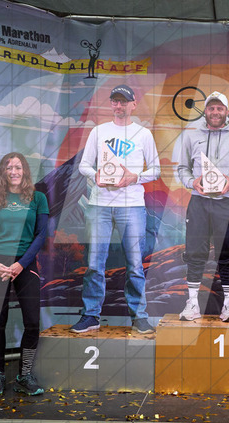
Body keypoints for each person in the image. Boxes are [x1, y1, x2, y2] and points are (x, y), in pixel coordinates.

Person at [71, 84, 160, 334]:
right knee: (94, 263)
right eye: (115, 101)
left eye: (123, 101)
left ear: (134, 104)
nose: (119, 106)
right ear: (111, 104)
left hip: (132, 205)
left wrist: (135, 177)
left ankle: (139, 316)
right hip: (99, 204)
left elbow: (156, 170)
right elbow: (84, 165)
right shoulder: (98, 131)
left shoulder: (143, 134)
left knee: (135, 264)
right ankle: (91, 316)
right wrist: (96, 176)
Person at [177, 91, 229, 322]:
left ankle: (228, 305)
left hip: (226, 204)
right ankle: (192, 304)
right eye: (211, 108)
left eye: (220, 108)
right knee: (194, 253)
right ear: (206, 111)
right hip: (198, 202)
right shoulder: (191, 137)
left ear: (226, 112)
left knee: (226, 254)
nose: (215, 112)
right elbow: (182, 168)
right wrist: (192, 182)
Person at [0, 153, 48, 396]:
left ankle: (24, 375)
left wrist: (21, 264)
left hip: (25, 264)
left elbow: (41, 234)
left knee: (32, 321)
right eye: (9, 167)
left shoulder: (38, 198)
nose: (13, 171)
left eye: (18, 167)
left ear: (25, 171)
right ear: (3, 171)